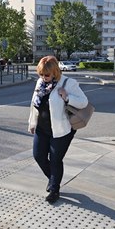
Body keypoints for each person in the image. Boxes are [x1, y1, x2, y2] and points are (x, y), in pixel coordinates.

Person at [28, 56, 89, 204]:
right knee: (38, 156)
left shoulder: (68, 83)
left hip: (61, 130)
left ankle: (54, 189)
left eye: (46, 74)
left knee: (55, 160)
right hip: (42, 128)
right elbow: (34, 104)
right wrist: (32, 123)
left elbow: (84, 102)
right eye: (40, 74)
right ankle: (53, 179)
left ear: (55, 72)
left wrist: (67, 97)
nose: (43, 77)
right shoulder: (40, 83)